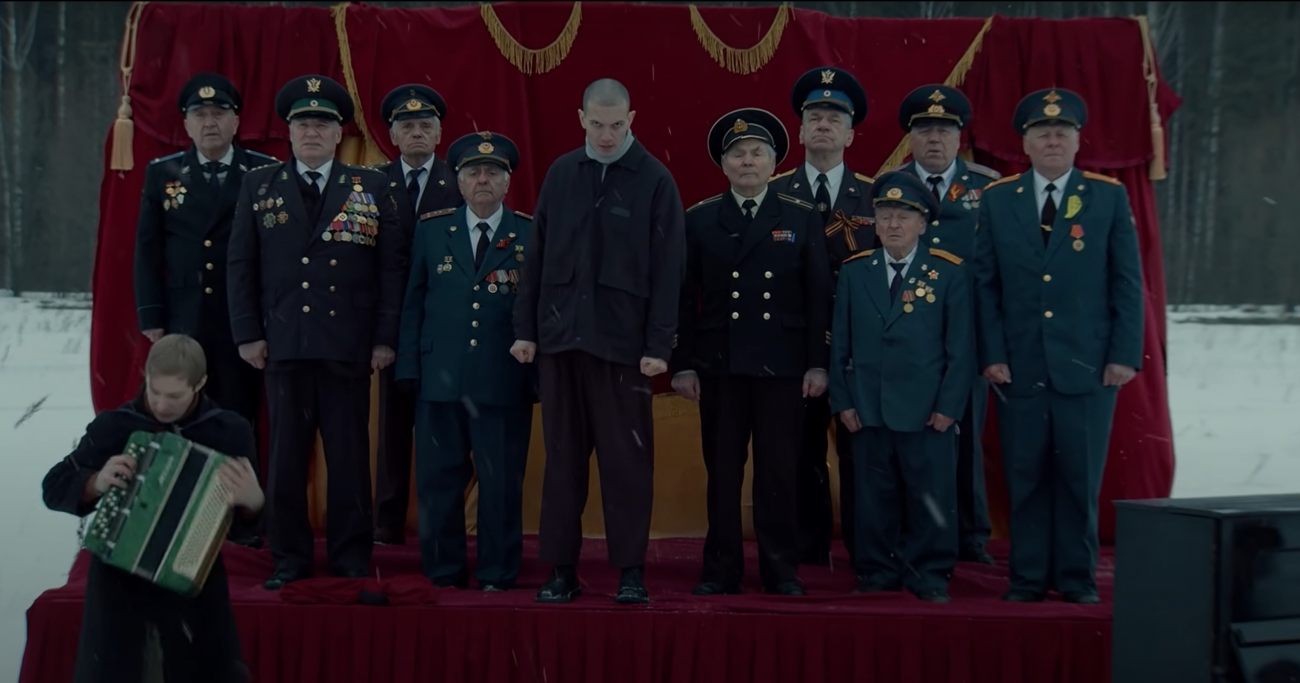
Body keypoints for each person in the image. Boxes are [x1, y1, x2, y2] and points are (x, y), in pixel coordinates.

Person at [511, 77, 685, 604]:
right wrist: (525, 331)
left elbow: (669, 269)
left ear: (630, 120)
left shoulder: (654, 180)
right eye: (596, 124)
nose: (606, 136)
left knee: (626, 464)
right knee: (562, 462)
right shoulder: (562, 174)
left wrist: (659, 345)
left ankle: (630, 571)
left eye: (615, 125)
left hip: (624, 349)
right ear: (581, 119)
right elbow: (536, 257)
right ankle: (561, 570)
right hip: (561, 343)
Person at [227, 74, 403, 590]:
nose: (312, 132)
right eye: (303, 123)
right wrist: (247, 333)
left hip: (347, 345)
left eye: (322, 124)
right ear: (288, 130)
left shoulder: (370, 187)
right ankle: (288, 556)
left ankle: (351, 554)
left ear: (338, 132)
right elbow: (241, 264)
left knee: (348, 458)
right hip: (284, 343)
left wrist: (384, 337)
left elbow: (390, 269)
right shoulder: (260, 186)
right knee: (285, 459)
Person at [973, 88, 1144, 604]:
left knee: (1077, 478)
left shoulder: (1107, 196)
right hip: (1019, 365)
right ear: (1025, 144)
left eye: (1061, 133)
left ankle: (1075, 578)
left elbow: (1126, 283)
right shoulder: (999, 198)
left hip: (1087, 366)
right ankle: (1027, 578)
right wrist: (992, 354)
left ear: (1077, 141)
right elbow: (986, 285)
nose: (1052, 141)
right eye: (1042, 133)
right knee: (1025, 476)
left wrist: (1123, 355)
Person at [41, 334, 264, 683]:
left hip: (192, 581)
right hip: (118, 584)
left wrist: (254, 502)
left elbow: (244, 530)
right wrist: (95, 482)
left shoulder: (228, 431)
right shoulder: (115, 426)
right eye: (154, 390)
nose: (161, 404)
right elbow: (53, 487)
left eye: (174, 396)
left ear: (200, 384)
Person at [671, 107, 830, 596]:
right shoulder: (699, 219)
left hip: (782, 367)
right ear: (724, 164)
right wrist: (682, 365)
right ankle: (721, 569)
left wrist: (817, 362)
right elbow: (684, 300)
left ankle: (781, 569)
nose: (747, 162)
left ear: (774, 162)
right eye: (737, 154)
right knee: (722, 473)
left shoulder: (801, 216)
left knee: (779, 471)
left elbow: (818, 295)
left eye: (756, 153)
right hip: (721, 367)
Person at [132, 73, 274, 547]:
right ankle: (180, 518)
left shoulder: (263, 172)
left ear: (236, 121)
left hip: (242, 321)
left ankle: (240, 525)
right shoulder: (164, 173)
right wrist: (152, 316)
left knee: (237, 419)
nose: (210, 122)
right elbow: (148, 249)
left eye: (219, 114)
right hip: (184, 318)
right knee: (180, 418)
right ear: (187, 124)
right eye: (200, 115)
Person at [395, 131, 533, 591]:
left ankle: (498, 571)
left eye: (493, 172)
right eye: (473, 172)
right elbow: (414, 303)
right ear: (458, 180)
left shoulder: (529, 233)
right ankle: (443, 569)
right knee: (438, 482)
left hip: (502, 381)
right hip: (440, 379)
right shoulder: (433, 230)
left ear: (507, 181)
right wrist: (409, 368)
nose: (482, 180)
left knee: (501, 483)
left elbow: (538, 308)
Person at [828, 172, 973, 603]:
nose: (893, 225)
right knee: (874, 497)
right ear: (874, 222)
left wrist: (949, 406)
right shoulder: (856, 272)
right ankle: (877, 570)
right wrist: (843, 400)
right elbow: (841, 344)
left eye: (904, 217)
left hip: (927, 410)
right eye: (885, 216)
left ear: (922, 224)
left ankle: (930, 572)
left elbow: (961, 349)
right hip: (869, 408)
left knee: (930, 496)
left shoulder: (947, 272)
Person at [768, 66, 876, 565]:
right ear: (800, 131)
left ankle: (865, 551)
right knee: (798, 450)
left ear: (850, 134)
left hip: (859, 348)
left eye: (835, 118)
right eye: (815, 117)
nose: (824, 125)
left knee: (862, 451)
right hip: (794, 344)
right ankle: (807, 551)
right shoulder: (772, 193)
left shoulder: (876, 195)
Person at [894, 83, 1001, 565]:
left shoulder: (988, 187)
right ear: (911, 138)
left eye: (944, 130)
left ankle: (971, 535)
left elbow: (997, 269)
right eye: (924, 131)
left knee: (966, 435)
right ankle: (914, 529)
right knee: (911, 436)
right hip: (909, 335)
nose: (934, 139)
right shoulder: (892, 186)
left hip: (968, 338)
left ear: (960, 137)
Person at [372, 83, 463, 546]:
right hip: (391, 328)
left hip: (442, 327)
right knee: (392, 428)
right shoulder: (372, 183)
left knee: (441, 431)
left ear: (440, 133)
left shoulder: (460, 181)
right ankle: (387, 520)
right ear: (392, 135)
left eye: (425, 125)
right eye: (407, 126)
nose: (417, 133)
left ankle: (438, 522)